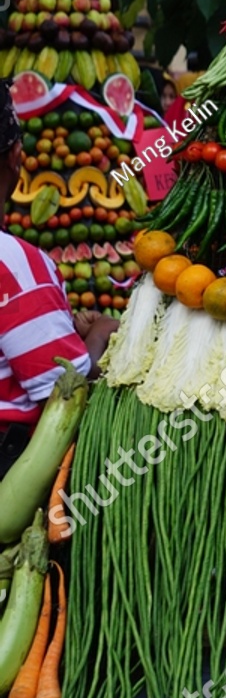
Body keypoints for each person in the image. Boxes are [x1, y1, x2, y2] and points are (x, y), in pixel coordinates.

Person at [0, 82, 117, 481]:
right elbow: (65, 388)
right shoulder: (14, 265)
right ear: (17, 157)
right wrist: (100, 333)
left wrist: (62, 330)